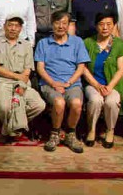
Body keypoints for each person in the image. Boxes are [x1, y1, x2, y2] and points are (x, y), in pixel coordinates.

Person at [35, 11, 90, 153]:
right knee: (59, 102)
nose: (61, 26)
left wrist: (69, 83)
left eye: (64, 23)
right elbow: (40, 68)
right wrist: (53, 83)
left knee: (77, 104)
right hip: (50, 83)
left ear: (69, 25)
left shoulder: (77, 42)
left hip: (72, 83)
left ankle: (71, 134)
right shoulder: (43, 43)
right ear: (52, 24)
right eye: (57, 23)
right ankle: (55, 134)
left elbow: (81, 67)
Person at [0, 15, 45, 141]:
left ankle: (5, 128)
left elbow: (28, 69)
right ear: (4, 27)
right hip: (2, 82)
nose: (13, 28)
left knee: (39, 105)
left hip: (22, 82)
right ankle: (10, 122)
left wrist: (21, 81)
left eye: (17, 26)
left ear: (21, 29)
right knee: (5, 107)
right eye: (10, 25)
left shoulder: (26, 45)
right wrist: (16, 76)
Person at [82, 11, 123, 148]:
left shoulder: (119, 44)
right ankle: (91, 129)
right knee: (96, 100)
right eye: (101, 24)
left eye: (109, 24)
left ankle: (110, 130)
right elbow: (83, 68)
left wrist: (109, 87)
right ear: (96, 26)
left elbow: (121, 69)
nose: (105, 27)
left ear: (114, 26)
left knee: (111, 102)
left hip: (113, 84)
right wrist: (97, 85)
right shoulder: (88, 42)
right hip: (93, 83)